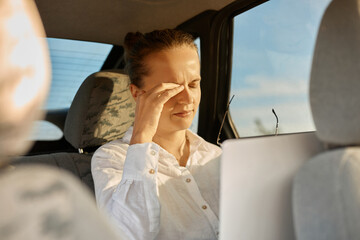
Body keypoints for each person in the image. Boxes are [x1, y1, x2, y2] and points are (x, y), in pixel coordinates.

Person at [91, 29, 222, 240]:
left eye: (193, 84)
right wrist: (142, 137)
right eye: (172, 88)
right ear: (137, 93)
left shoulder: (215, 155)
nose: (187, 98)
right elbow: (128, 234)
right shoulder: (111, 159)